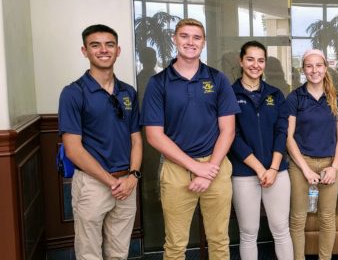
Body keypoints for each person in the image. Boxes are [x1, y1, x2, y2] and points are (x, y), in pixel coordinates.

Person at [142, 18, 240, 260]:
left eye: (197, 37)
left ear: (203, 43)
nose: (190, 42)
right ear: (175, 39)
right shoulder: (158, 83)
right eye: (184, 36)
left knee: (219, 241)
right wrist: (196, 167)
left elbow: (228, 130)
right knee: (175, 245)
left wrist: (210, 168)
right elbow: (154, 135)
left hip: (215, 167)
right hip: (176, 170)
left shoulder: (217, 79)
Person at [58, 24, 142, 259]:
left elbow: (136, 139)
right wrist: (111, 182)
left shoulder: (128, 92)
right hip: (93, 185)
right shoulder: (73, 93)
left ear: (118, 50)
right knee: (89, 254)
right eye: (95, 45)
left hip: (127, 183)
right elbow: (73, 150)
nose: (104, 50)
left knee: (119, 253)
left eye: (110, 44)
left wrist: (132, 177)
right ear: (85, 51)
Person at [229, 41, 293, 260]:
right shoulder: (228, 94)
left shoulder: (276, 95)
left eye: (260, 60)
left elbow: (281, 133)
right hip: (244, 173)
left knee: (281, 229)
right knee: (248, 232)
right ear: (241, 60)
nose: (255, 65)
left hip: (277, 172)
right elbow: (232, 137)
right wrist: (259, 168)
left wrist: (273, 168)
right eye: (250, 59)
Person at [282, 49, 338, 260]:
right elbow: (288, 137)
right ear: (303, 69)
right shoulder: (295, 98)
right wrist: (304, 168)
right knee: (298, 218)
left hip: (330, 164)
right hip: (301, 164)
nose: (314, 70)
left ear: (326, 68)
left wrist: (335, 166)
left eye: (318, 65)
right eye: (309, 66)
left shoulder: (336, 99)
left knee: (327, 217)